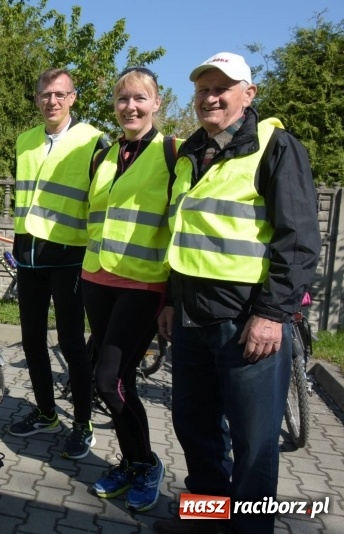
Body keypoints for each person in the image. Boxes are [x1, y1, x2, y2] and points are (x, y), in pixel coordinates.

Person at [153, 52, 320, 534]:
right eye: (203, 89)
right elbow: (183, 234)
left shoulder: (276, 147)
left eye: (222, 88)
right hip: (191, 317)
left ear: (248, 94)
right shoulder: (191, 151)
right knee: (195, 427)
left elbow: (298, 240)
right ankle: (207, 521)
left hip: (248, 321)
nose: (210, 97)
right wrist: (170, 300)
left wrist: (272, 314)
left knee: (254, 443)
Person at [82, 67, 180, 512]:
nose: (131, 107)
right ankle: (130, 461)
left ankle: (146, 463)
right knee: (113, 381)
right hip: (96, 279)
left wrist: (172, 297)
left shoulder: (174, 153)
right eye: (123, 99)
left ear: (157, 103)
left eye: (140, 98)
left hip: (142, 283)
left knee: (110, 380)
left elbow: (181, 228)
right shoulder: (103, 156)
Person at [8, 67, 107, 461]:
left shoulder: (94, 140)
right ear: (37, 98)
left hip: (70, 256)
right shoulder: (24, 141)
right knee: (32, 339)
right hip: (29, 255)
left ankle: (82, 424)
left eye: (60, 94)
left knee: (71, 343)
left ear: (73, 98)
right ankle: (47, 413)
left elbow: (101, 200)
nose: (52, 101)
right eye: (46, 94)